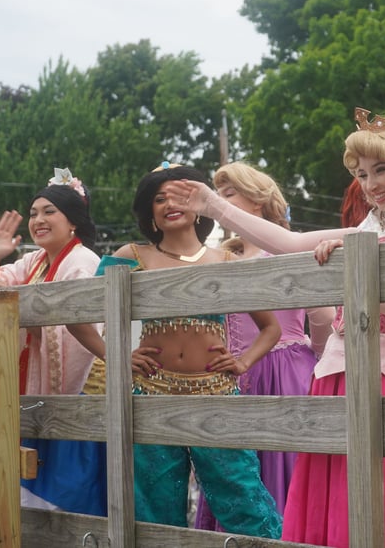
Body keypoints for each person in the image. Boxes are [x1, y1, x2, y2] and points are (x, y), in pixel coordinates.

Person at [166, 107, 385, 548]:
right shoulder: (370, 226)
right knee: (335, 512)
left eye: (381, 170)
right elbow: (289, 243)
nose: (371, 185)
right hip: (333, 380)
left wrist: (353, 263)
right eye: (363, 174)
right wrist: (212, 204)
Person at [104, 163, 282, 537]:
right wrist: (117, 357)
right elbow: (76, 314)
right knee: (153, 506)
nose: (169, 203)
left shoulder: (226, 260)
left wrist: (244, 360)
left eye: (180, 195)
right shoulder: (130, 255)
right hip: (151, 396)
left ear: (199, 205)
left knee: (242, 496)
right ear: (148, 212)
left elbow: (271, 327)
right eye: (158, 198)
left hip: (216, 395)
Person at [193, 162, 333, 526]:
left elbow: (322, 314)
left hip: (284, 373)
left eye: (227, 195)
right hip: (236, 378)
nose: (217, 202)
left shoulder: (284, 251)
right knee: (237, 477)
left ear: (257, 201)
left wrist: (313, 359)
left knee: (279, 470)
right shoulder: (223, 257)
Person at [0, 168, 107, 516]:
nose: (38, 220)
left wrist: (34, 312)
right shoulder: (33, 261)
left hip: (77, 390)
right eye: (33, 213)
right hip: (35, 392)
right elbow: (2, 286)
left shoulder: (84, 259)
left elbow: (77, 325)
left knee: (71, 494)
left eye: (49, 212)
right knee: (28, 495)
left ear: (72, 220)